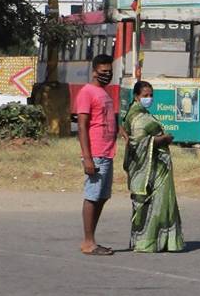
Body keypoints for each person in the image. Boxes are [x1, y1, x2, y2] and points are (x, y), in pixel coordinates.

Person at [123, 80, 185, 253]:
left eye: (151, 95)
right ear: (136, 96)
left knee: (161, 202)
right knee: (151, 202)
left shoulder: (141, 113)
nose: (149, 98)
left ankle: (161, 241)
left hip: (157, 166)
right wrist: (162, 140)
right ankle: (146, 242)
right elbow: (137, 141)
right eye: (145, 96)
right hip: (148, 168)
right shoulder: (136, 115)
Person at [75, 53, 118, 255]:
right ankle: (88, 242)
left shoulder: (105, 93)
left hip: (108, 152)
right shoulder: (87, 92)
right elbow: (82, 126)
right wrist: (87, 157)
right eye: (103, 72)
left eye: (109, 72)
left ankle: (92, 238)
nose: (106, 75)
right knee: (92, 196)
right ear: (94, 71)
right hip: (96, 152)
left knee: (102, 196)